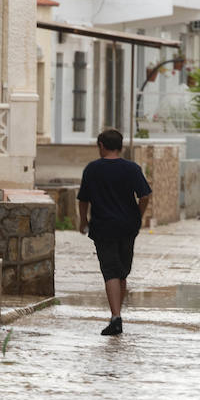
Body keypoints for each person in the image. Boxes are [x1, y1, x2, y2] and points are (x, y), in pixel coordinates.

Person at [77, 128, 151, 335]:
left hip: (103, 226)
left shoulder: (92, 169)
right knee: (122, 272)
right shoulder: (132, 169)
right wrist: (138, 215)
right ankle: (117, 314)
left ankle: (116, 317)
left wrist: (83, 221)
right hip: (128, 226)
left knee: (110, 271)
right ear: (121, 146)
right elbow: (145, 196)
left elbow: (83, 199)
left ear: (101, 146)